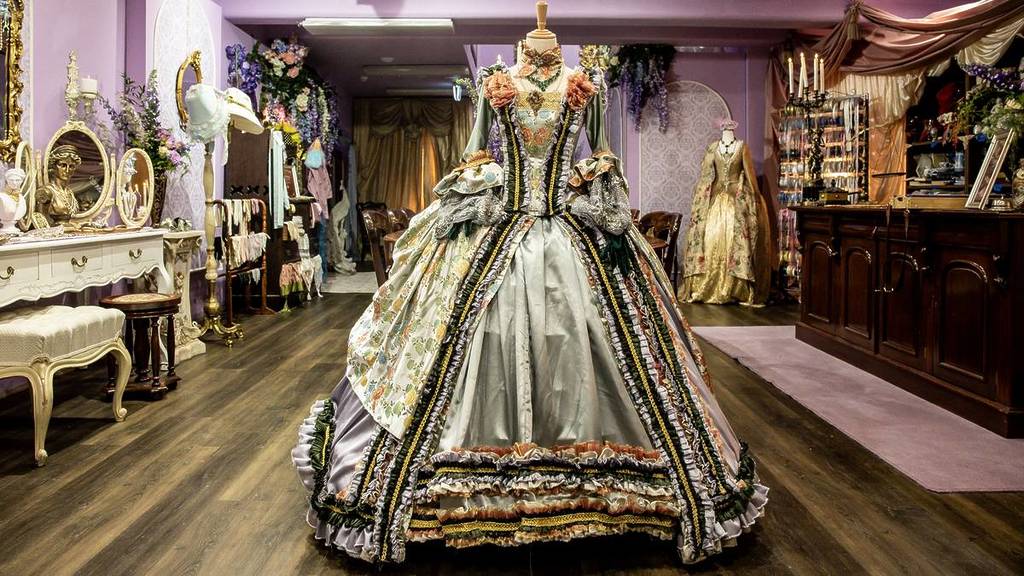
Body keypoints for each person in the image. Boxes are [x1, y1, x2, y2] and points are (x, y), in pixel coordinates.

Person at [292, 31, 767, 566]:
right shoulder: (496, 84)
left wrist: (589, 175)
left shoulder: (583, 86)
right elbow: (474, 152)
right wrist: (480, 179)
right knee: (462, 338)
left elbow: (603, 152)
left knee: (601, 339)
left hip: (569, 225)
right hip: (504, 221)